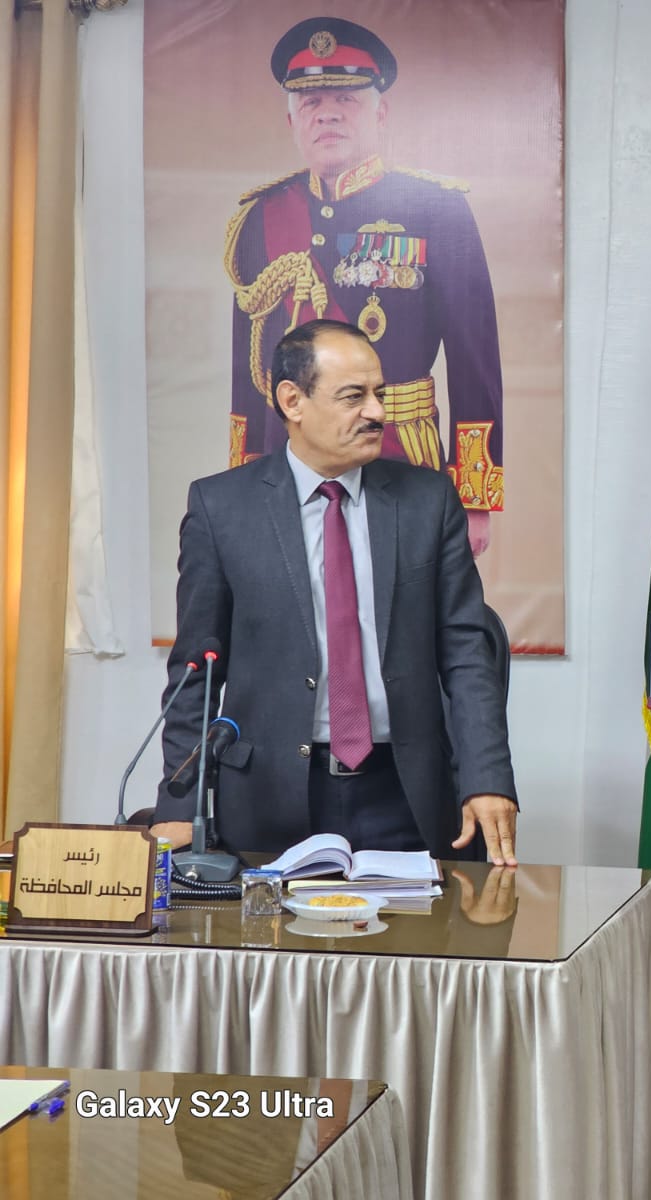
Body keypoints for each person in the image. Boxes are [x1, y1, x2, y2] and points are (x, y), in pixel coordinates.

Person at [152, 320, 518, 864]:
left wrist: (487, 778)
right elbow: (195, 673)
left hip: (407, 793)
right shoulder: (221, 509)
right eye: (353, 396)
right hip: (268, 797)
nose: (377, 412)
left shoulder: (428, 501)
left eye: (379, 393)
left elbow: (466, 652)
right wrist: (180, 804)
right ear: (292, 400)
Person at [225, 16, 504, 557]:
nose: (327, 112)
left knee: (406, 600)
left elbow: (475, 358)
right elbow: (249, 365)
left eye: (346, 99)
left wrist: (474, 495)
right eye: (310, 101)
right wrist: (246, 474)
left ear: (380, 112)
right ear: (291, 120)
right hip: (289, 459)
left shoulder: (436, 208)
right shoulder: (261, 216)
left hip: (399, 451)